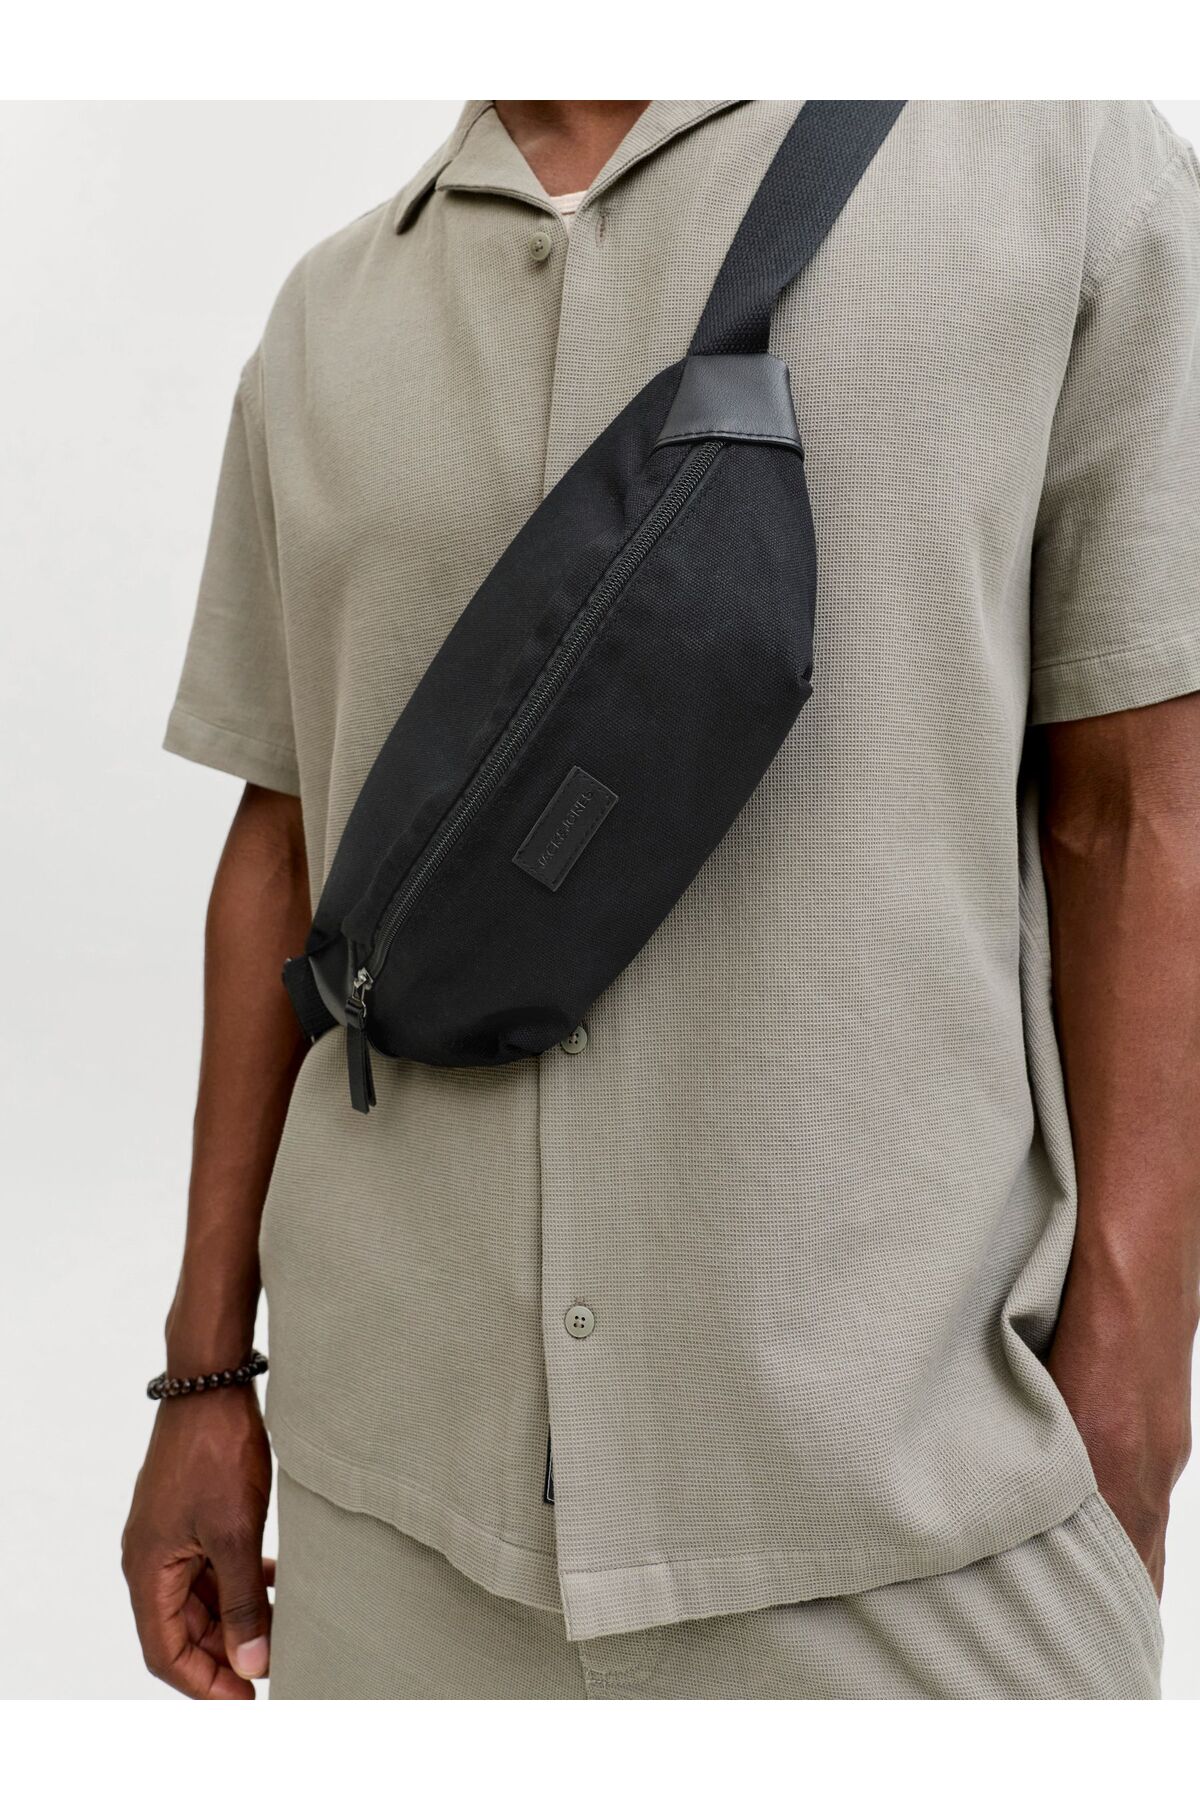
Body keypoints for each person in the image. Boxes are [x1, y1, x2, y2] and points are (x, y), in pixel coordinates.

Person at [122, 99, 1200, 1701]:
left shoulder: (1058, 166)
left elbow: (1142, 804)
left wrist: (1134, 1393)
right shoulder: (325, 318)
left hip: (905, 1521)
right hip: (391, 1519)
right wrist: (205, 1377)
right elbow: (283, 847)